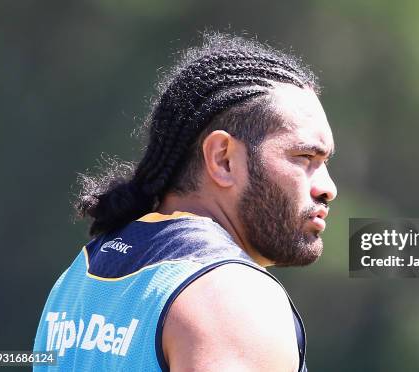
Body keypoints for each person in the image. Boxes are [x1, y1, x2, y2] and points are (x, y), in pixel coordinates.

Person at [33, 32, 337, 372]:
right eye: (304, 157)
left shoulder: (80, 276)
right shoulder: (233, 298)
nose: (327, 188)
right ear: (223, 159)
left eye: (324, 163)